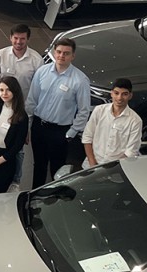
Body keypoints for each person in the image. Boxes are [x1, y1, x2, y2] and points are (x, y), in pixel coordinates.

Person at [25, 37, 91, 189]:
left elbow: (84, 110)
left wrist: (71, 133)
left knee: (57, 167)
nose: (61, 56)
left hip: (60, 131)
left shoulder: (80, 80)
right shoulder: (42, 72)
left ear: (73, 56)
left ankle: (55, 196)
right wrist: (27, 126)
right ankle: (35, 193)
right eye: (59, 52)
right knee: (39, 164)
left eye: (66, 53)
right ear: (54, 52)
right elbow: (32, 100)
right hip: (39, 126)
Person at [0, 24, 43, 192]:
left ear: (28, 39)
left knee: (18, 147)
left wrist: (27, 121)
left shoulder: (36, 60)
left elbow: (36, 91)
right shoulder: (0, 55)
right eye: (15, 38)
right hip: (2, 106)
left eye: (22, 39)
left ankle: (15, 181)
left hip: (22, 111)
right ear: (10, 37)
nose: (18, 42)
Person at [82, 78, 142, 169]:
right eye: (116, 93)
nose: (119, 98)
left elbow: (130, 152)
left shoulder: (135, 121)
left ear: (130, 96)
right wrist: (93, 165)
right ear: (111, 93)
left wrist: (111, 170)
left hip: (116, 169)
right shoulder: (99, 111)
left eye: (124, 94)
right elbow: (87, 138)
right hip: (91, 165)